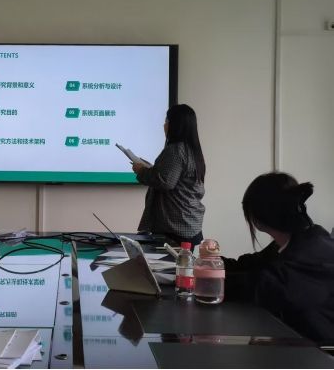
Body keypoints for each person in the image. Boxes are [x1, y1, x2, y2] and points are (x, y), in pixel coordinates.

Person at [223, 172, 334, 345]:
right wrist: (207, 263)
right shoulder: (305, 237)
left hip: (319, 352)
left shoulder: (307, 256)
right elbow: (248, 264)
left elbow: (257, 285)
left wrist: (201, 278)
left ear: (257, 218)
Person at [132, 104, 206, 246]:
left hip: (175, 225)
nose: (164, 125)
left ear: (176, 125)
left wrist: (141, 171)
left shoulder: (175, 150)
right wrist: (151, 169)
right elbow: (172, 177)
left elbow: (165, 181)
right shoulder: (191, 149)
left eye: (167, 121)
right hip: (188, 222)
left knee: (173, 261)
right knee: (182, 260)